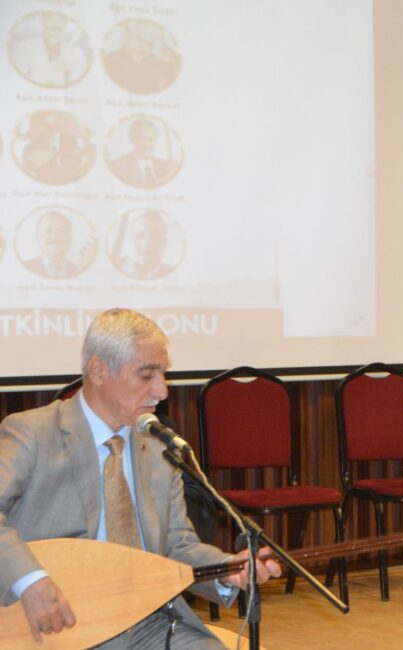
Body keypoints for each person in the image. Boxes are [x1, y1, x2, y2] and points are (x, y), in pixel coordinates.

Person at [0, 308, 282, 648]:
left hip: (149, 622)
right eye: (147, 375)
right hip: (60, 627)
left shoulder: (159, 449)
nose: (162, 391)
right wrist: (31, 582)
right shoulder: (33, 432)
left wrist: (227, 568)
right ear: (98, 370)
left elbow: (177, 547)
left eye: (163, 374)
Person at [9, 12, 91, 88]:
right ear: (43, 22)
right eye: (52, 19)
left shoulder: (77, 53)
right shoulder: (24, 47)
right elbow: (18, 82)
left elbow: (77, 85)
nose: (57, 24)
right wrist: (49, 68)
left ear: (65, 25)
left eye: (61, 21)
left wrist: (67, 74)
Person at [101, 19, 181, 94]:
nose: (142, 47)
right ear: (127, 35)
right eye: (139, 39)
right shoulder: (109, 61)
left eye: (149, 44)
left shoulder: (158, 65)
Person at [108, 118, 179, 188]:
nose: (147, 144)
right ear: (132, 138)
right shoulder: (117, 166)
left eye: (152, 139)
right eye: (141, 138)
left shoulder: (167, 166)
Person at [114, 210, 177, 280]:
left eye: (155, 235)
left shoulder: (173, 274)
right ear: (132, 240)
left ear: (164, 242)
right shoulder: (119, 269)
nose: (147, 242)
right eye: (140, 235)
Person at [22, 209, 80, 279]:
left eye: (61, 231)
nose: (54, 237)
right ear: (37, 238)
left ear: (71, 238)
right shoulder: (24, 268)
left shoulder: (78, 270)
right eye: (48, 231)